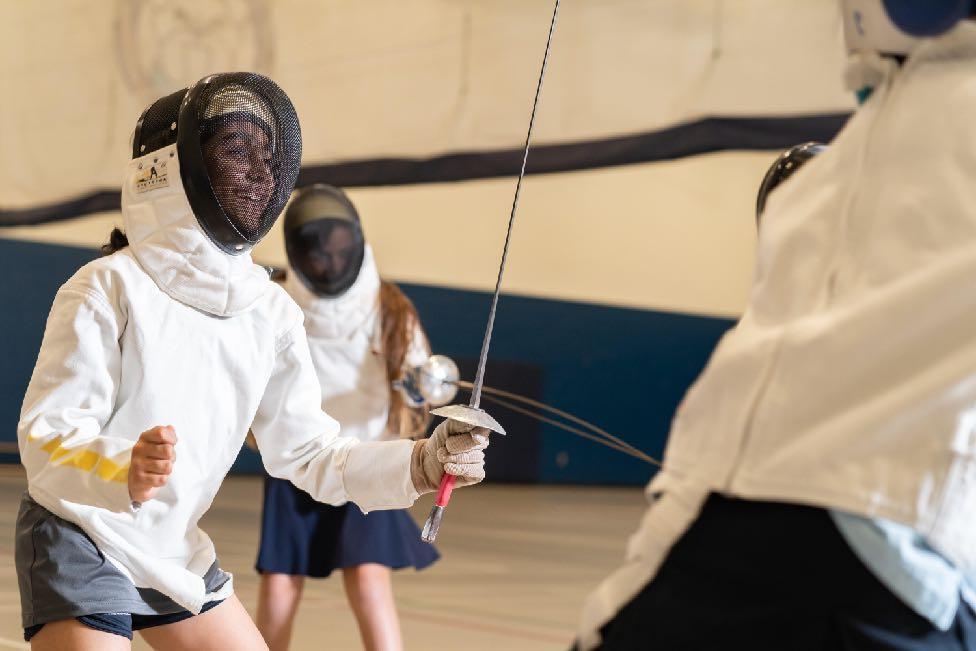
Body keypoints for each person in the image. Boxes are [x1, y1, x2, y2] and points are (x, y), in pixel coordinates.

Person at [15, 72, 489, 651]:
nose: (255, 172)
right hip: (81, 531)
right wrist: (122, 468)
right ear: (174, 168)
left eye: (263, 157)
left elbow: (312, 454)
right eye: (234, 152)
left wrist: (419, 464)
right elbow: (47, 439)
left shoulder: (271, 312)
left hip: (173, 549)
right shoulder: (105, 288)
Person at [577, 8, 976, 648]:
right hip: (774, 547)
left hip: (872, 562)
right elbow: (741, 426)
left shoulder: (924, 134)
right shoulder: (838, 176)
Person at [254, 184, 440, 651]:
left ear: (354, 240)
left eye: (337, 248)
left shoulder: (389, 307)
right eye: (317, 251)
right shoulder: (275, 301)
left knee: (368, 578)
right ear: (298, 250)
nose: (329, 261)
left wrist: (420, 383)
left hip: (368, 460)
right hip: (296, 461)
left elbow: (419, 379)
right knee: (280, 583)